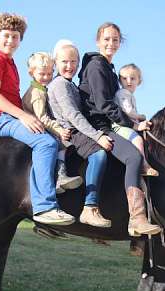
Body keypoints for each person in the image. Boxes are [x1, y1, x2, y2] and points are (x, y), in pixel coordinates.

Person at [0, 13, 74, 225]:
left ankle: (58, 178)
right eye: (6, 36)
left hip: (12, 115)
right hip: (1, 118)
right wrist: (24, 116)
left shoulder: (10, 63)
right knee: (46, 142)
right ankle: (44, 206)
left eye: (15, 36)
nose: (10, 40)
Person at [78, 22, 161, 237]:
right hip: (98, 125)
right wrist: (132, 125)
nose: (111, 43)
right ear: (98, 41)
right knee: (134, 157)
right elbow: (104, 105)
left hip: (109, 123)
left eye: (115, 40)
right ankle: (136, 218)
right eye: (106, 39)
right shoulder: (97, 66)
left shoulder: (110, 69)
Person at [47, 40, 111, 227]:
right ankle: (90, 206)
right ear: (56, 63)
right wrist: (97, 135)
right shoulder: (60, 84)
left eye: (74, 62)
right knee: (99, 154)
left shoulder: (71, 84)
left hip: (77, 129)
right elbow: (73, 115)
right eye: (65, 62)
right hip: (72, 131)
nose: (69, 66)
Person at [21, 51, 82, 194]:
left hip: (39, 122)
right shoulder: (37, 93)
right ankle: (60, 176)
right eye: (42, 74)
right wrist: (59, 130)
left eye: (49, 74)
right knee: (60, 144)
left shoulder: (41, 88)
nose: (46, 78)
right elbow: (42, 118)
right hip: (36, 125)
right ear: (31, 73)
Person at [114, 63, 158, 177]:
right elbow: (128, 112)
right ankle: (143, 165)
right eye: (124, 78)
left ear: (139, 81)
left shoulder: (129, 94)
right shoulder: (123, 93)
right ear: (120, 81)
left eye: (132, 78)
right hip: (120, 126)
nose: (128, 81)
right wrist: (141, 117)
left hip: (128, 125)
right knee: (137, 140)